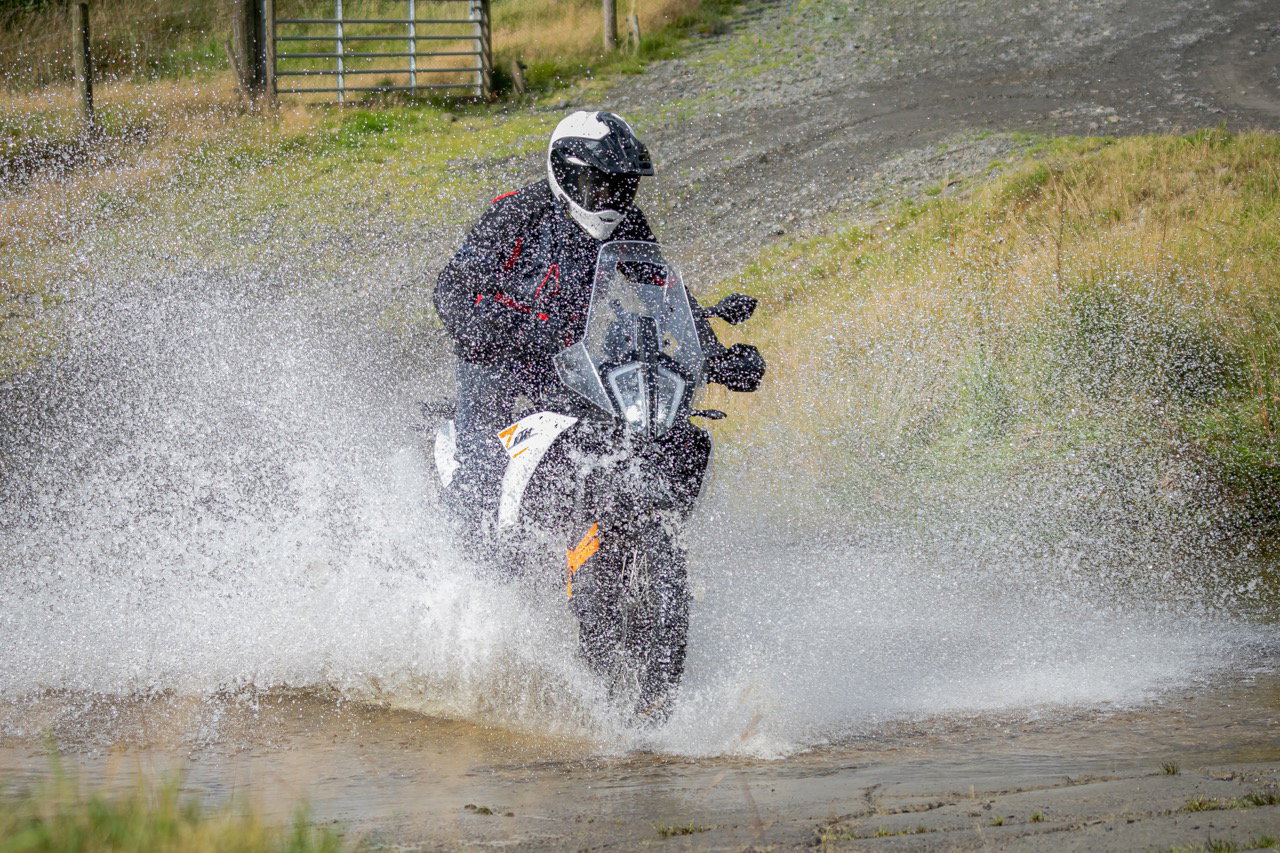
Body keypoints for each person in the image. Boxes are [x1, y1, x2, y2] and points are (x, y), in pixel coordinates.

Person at [434, 110, 763, 538]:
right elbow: (451, 289)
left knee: (656, 435)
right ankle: (469, 558)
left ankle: (630, 538)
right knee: (481, 460)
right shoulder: (517, 213)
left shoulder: (628, 223)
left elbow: (662, 290)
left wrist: (713, 352)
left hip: (569, 362)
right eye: (601, 184)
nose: (611, 198)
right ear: (566, 175)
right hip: (496, 358)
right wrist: (509, 330)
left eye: (622, 186)